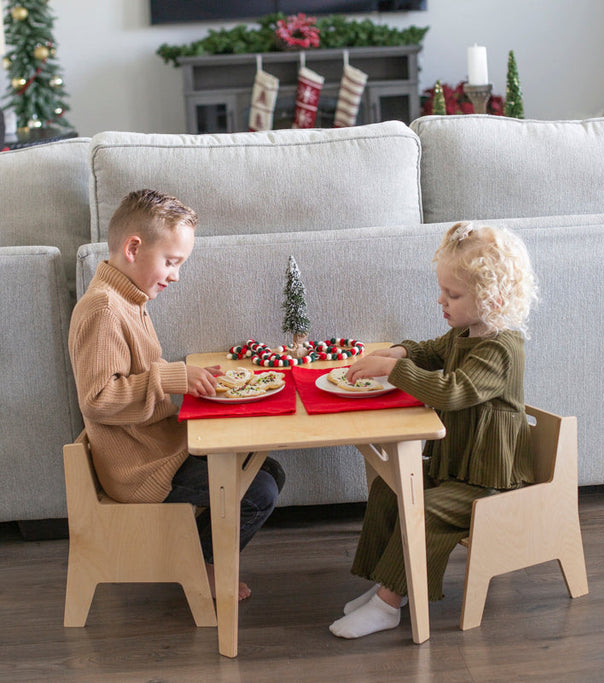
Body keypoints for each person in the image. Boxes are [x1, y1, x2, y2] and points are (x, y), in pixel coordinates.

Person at [68, 188, 284, 601]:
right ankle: (198, 568)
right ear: (134, 248)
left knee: (269, 471)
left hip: (155, 449)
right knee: (259, 492)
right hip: (141, 468)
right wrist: (170, 378)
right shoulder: (105, 310)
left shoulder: (127, 299)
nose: (175, 275)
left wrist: (180, 379)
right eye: (171, 262)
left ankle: (196, 559)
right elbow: (96, 399)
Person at [329, 221, 538, 638]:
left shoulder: (501, 348)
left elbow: (454, 391)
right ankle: (389, 588)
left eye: (453, 295)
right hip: (456, 470)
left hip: (490, 481)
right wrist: (400, 351)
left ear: (492, 299)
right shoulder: (465, 331)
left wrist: (393, 369)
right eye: (442, 289)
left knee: (425, 510)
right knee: (390, 486)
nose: (440, 300)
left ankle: (388, 606)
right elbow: (431, 351)